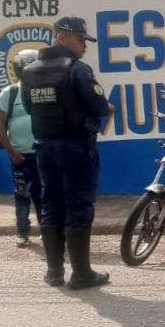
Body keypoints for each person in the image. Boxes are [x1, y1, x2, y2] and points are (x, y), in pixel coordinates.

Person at [21, 16, 112, 289]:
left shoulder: (29, 72)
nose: (84, 45)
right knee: (79, 206)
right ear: (61, 37)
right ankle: (81, 274)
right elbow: (99, 107)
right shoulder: (78, 69)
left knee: (51, 205)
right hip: (76, 148)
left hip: (45, 148)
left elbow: (28, 108)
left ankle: (54, 272)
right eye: (80, 39)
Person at [0, 49, 42, 247]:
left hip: (43, 154)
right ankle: (23, 232)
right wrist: (12, 152)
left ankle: (49, 232)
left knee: (44, 194)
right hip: (20, 156)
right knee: (22, 194)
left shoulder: (43, 92)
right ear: (22, 70)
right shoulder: (10, 93)